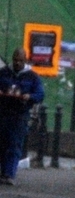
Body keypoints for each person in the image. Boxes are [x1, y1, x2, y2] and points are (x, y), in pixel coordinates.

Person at [0, 47, 45, 185]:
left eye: (20, 61)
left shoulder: (32, 76)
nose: (17, 63)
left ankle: (9, 174)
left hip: (20, 115)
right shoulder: (3, 73)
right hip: (3, 113)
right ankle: (3, 172)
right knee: (2, 144)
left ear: (25, 60)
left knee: (14, 144)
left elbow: (40, 94)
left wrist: (29, 96)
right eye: (15, 60)